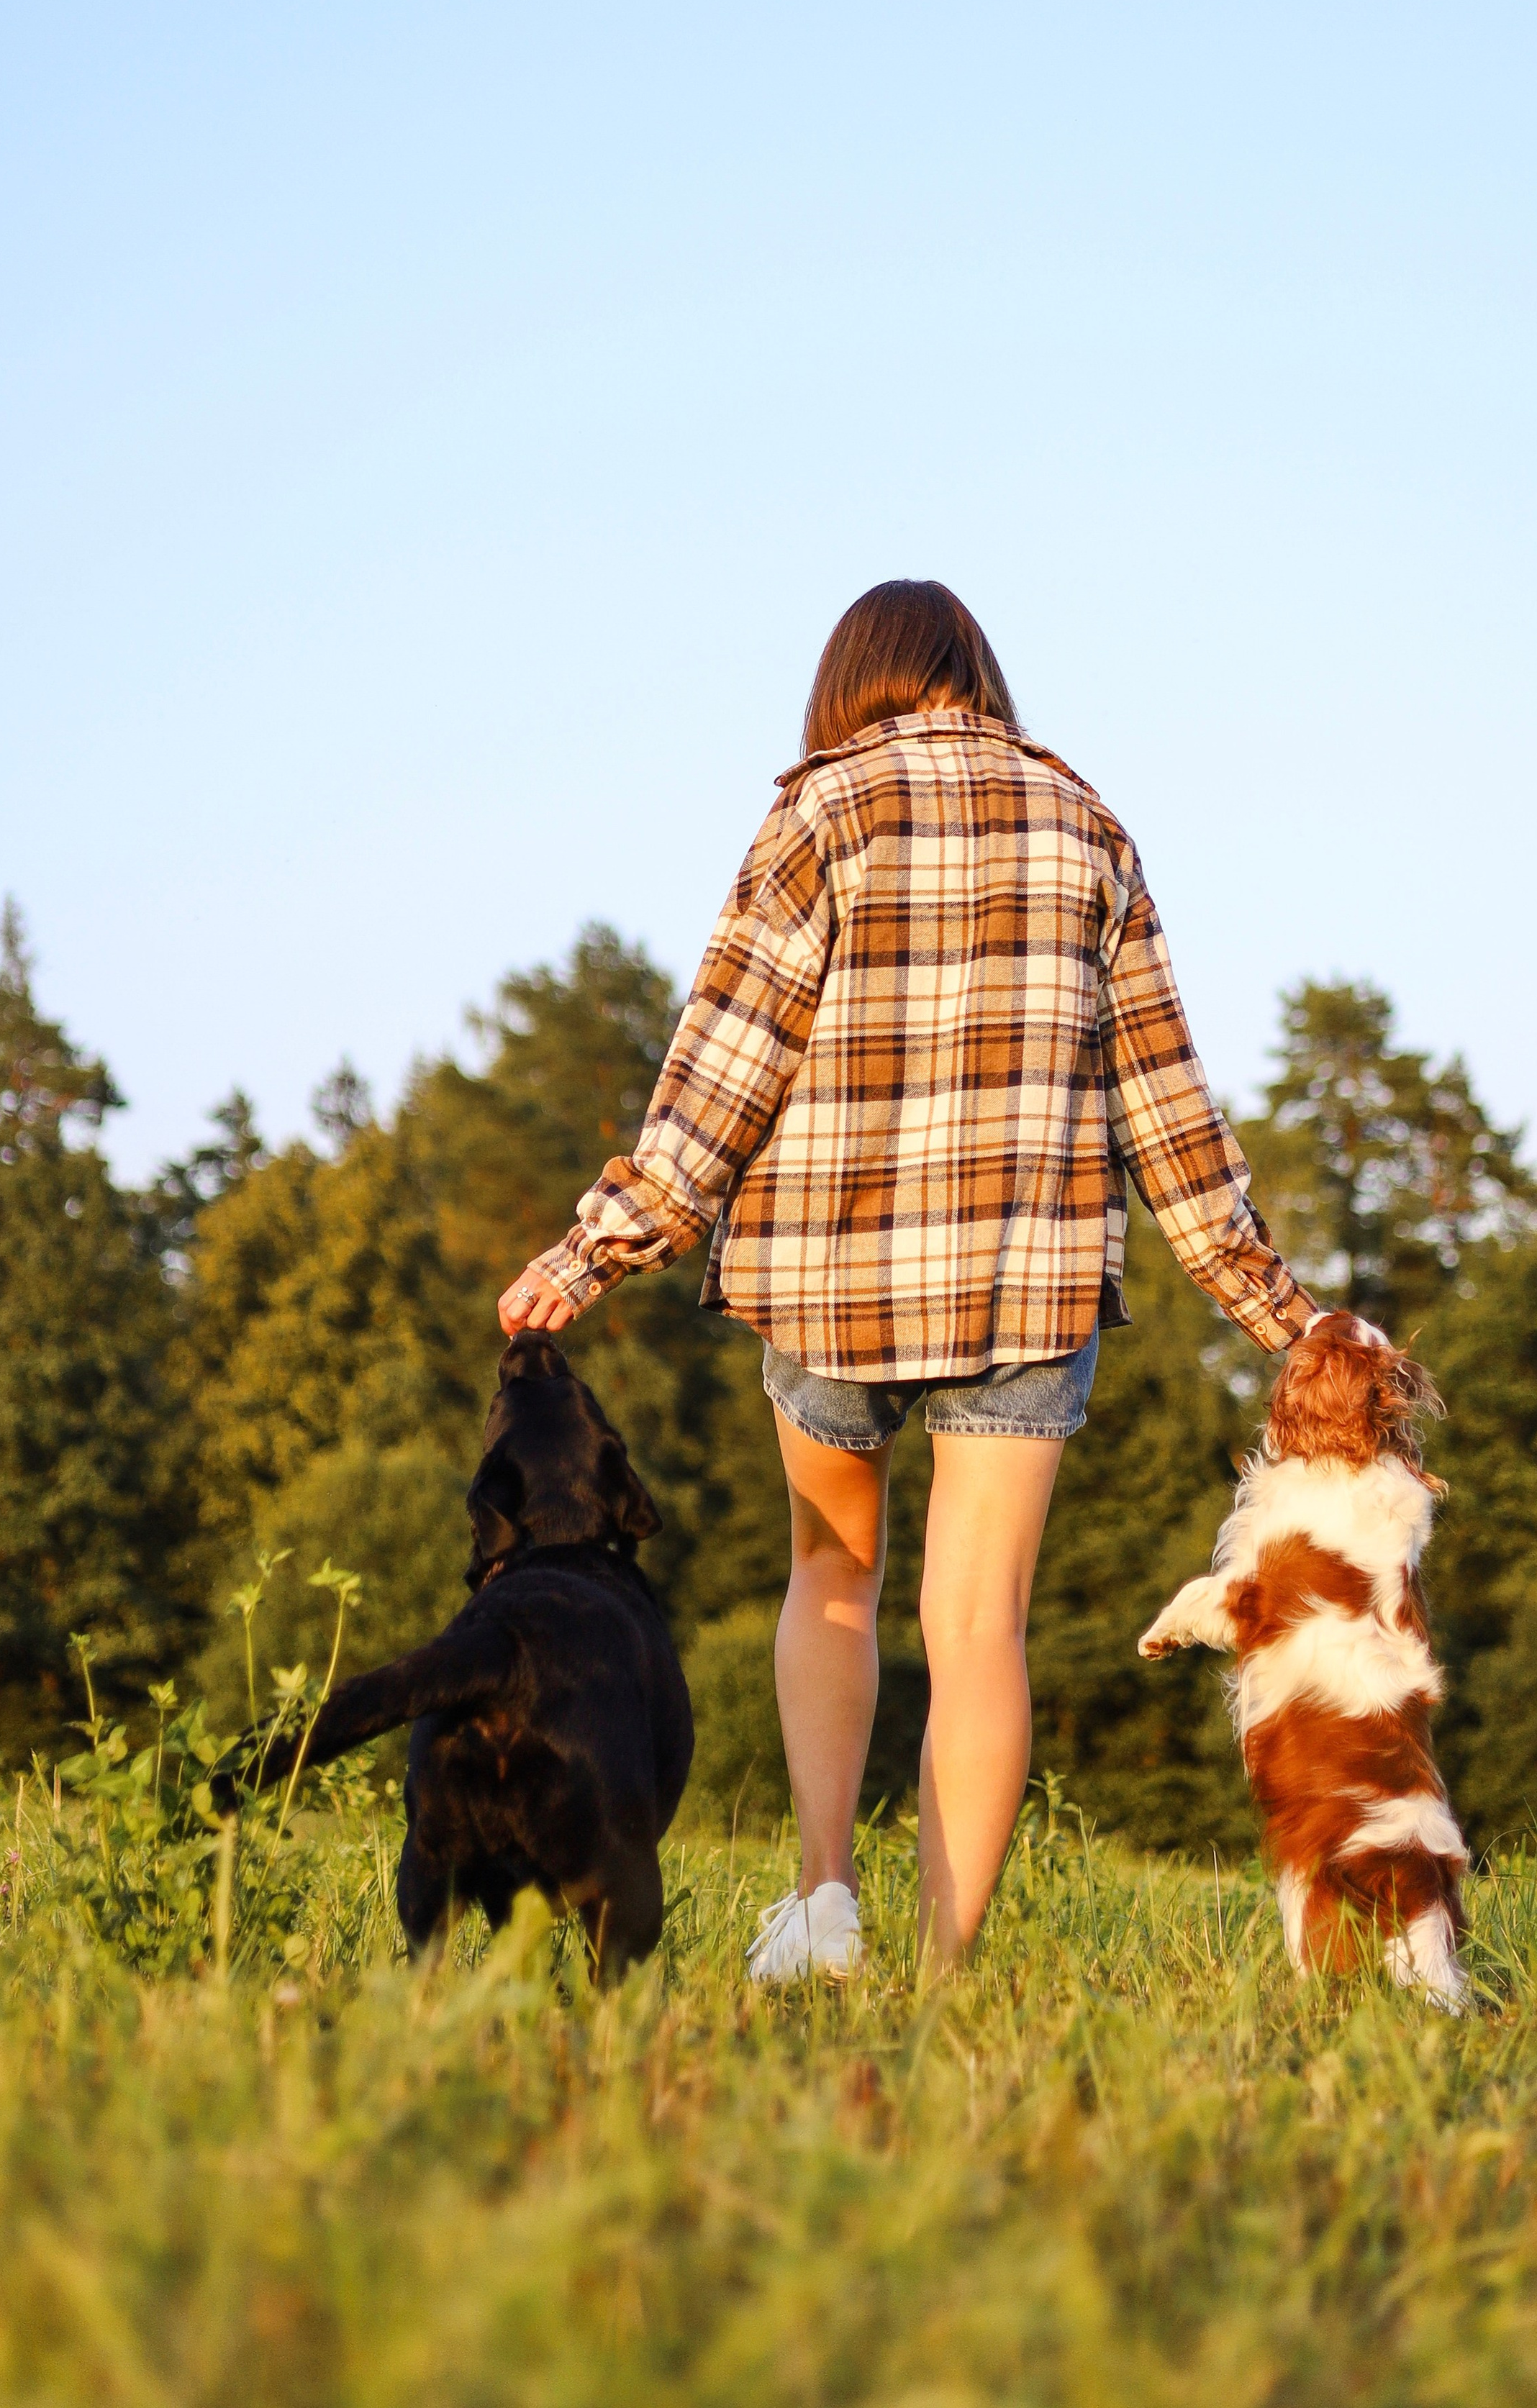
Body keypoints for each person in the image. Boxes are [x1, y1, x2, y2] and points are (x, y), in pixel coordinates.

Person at [499, 581, 1319, 1978]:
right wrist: (1282, 1319)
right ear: (976, 675)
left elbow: (724, 1071)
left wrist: (592, 1253)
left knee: (831, 1576)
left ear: (848, 682)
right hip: (1023, 1279)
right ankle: (943, 1977)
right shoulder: (1086, 826)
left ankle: (823, 1907)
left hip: (828, 1281)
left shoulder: (819, 811)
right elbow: (1167, 1113)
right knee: (977, 1622)